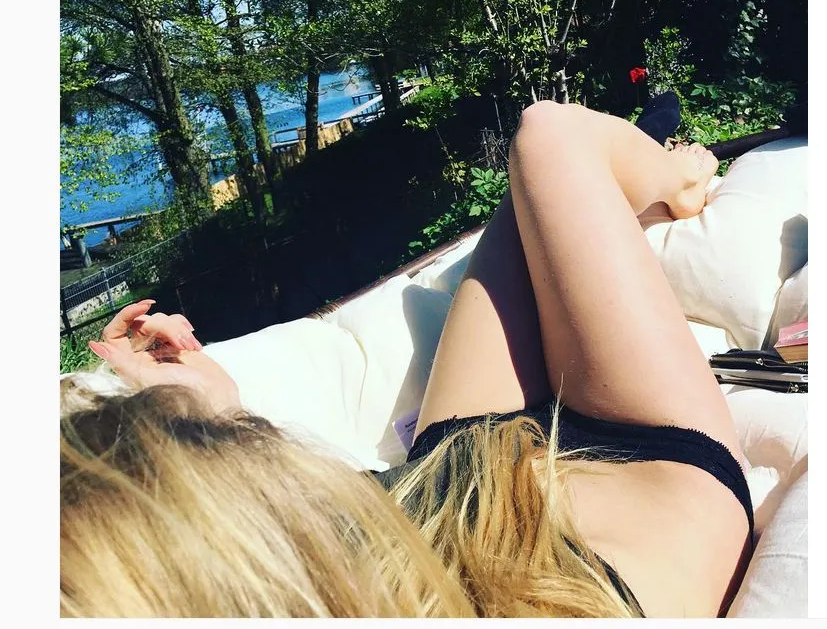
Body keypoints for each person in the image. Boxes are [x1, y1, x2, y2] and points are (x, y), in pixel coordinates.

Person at [61, 102, 752, 618]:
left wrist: (207, 407)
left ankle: (634, 184)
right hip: (635, 463)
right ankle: (674, 179)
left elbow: (303, 531)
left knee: (537, 181)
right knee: (552, 135)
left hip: (438, 497)